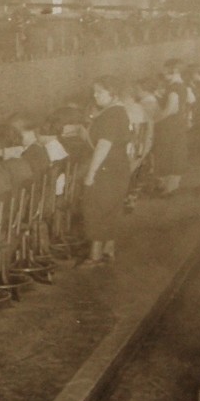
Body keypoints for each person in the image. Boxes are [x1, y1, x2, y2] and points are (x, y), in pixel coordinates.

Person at [79, 76, 132, 266]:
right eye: (94, 92)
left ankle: (95, 256)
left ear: (113, 93)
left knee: (96, 209)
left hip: (106, 168)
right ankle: (108, 250)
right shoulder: (117, 111)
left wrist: (91, 174)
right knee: (111, 208)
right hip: (118, 166)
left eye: (99, 92)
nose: (95, 96)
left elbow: (103, 145)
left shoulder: (111, 115)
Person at [154, 59, 191, 194]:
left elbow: (170, 110)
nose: (164, 76)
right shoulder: (182, 85)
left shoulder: (174, 88)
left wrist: (154, 121)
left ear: (174, 71)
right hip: (178, 123)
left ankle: (168, 188)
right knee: (175, 151)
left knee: (169, 152)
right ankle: (171, 186)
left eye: (166, 73)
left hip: (170, 125)